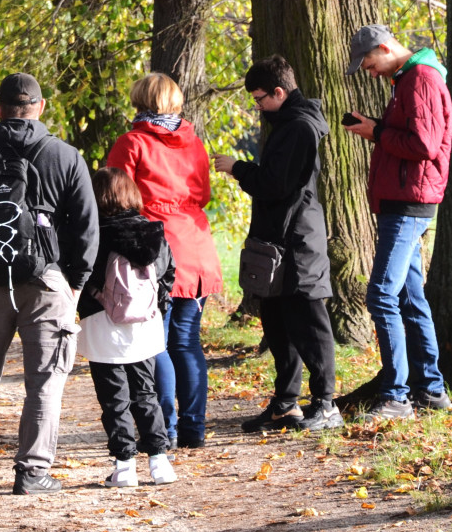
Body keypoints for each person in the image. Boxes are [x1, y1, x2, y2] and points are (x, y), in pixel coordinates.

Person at [0, 73, 98, 495]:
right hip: (47, 281)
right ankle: (31, 473)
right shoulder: (65, 156)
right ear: (40, 107)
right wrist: (76, 282)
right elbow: (86, 227)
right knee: (44, 382)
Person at [213, 55, 341, 432]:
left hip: (298, 242)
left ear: (280, 92)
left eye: (260, 99)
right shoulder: (286, 124)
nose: (258, 107)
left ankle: (326, 403)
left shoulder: (299, 127)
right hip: (279, 242)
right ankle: (286, 403)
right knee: (278, 324)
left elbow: (275, 184)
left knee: (310, 324)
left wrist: (238, 168)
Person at [342, 24, 452, 419]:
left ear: (386, 48)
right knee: (410, 298)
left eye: (370, 63)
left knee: (381, 296)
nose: (370, 72)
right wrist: (379, 128)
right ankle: (432, 389)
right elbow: (411, 135)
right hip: (403, 201)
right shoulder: (408, 79)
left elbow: (424, 145)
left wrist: (377, 131)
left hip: (409, 203)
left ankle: (396, 397)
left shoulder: (420, 79)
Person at [107, 73, 223, 449]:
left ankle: (165, 429)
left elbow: (116, 196)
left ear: (139, 100)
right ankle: (194, 429)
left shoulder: (131, 143)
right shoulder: (194, 143)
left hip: (154, 247)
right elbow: (203, 194)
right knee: (187, 343)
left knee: (155, 343)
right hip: (196, 243)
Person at [78, 167, 177, 487]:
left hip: (102, 324)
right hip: (145, 325)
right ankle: (159, 463)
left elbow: (80, 276)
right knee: (146, 392)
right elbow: (167, 275)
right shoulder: (152, 232)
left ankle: (124, 468)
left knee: (114, 399)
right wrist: (155, 308)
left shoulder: (90, 234)